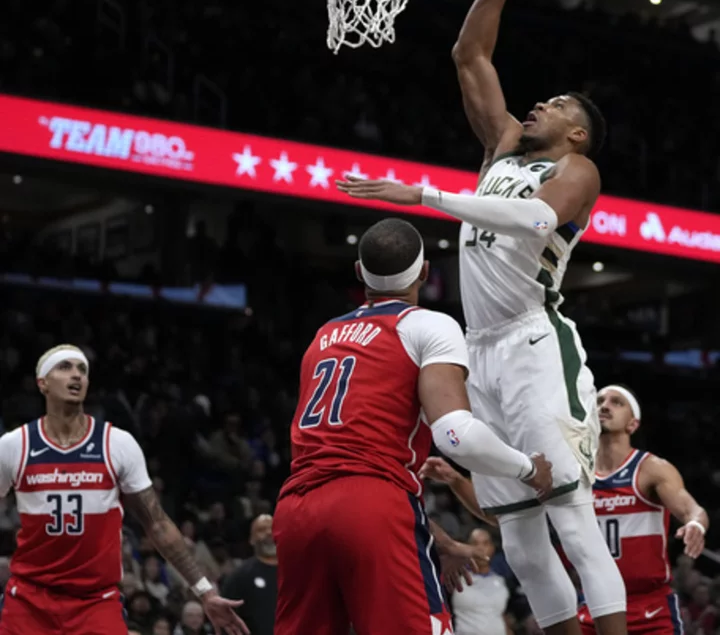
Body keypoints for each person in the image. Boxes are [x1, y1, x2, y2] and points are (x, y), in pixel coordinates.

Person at [336, 0, 627, 635]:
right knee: (524, 545)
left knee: (572, 515)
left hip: (536, 341)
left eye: (557, 104)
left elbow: (533, 223)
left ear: (579, 132)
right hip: (483, 351)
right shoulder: (500, 145)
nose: (539, 104)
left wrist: (425, 195)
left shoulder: (575, 171)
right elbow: (470, 51)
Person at [273, 218, 552, 635]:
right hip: (372, 502)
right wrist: (527, 468)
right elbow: (455, 433)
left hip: (296, 509)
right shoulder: (428, 325)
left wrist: (436, 538)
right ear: (424, 271)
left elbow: (342, 471)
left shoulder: (323, 336)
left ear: (359, 272)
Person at [0, 344, 248, 635]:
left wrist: (205, 591)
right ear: (42, 382)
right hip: (30, 601)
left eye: (82, 370)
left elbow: (157, 524)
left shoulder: (117, 444)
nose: (76, 375)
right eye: (64, 367)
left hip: (95, 601)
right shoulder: (14, 446)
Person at [577, 385, 708, 635]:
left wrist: (696, 524)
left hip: (650, 607)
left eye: (617, 402)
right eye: (600, 401)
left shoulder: (651, 468)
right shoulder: (577, 472)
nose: (604, 406)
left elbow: (692, 509)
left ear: (632, 425)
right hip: (594, 604)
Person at [222, 514, 277, 635]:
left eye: (273, 529)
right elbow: (227, 622)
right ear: (251, 539)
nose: (269, 533)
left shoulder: (297, 573)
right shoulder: (240, 577)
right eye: (262, 530)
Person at [450, 528, 513, 635]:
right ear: (467, 547)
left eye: (485, 543)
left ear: (492, 548)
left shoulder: (501, 580)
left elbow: (500, 614)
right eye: (475, 543)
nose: (480, 548)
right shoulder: (454, 576)